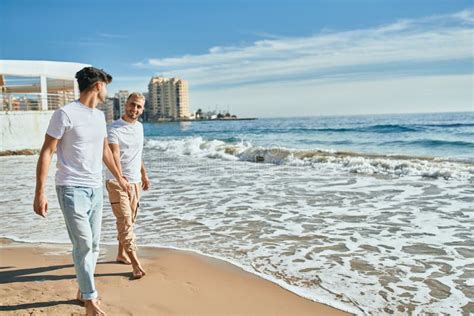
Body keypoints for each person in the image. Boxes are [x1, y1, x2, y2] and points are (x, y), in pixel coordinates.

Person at [33, 67, 130, 316]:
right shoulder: (64, 113)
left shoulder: (99, 117)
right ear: (98, 86)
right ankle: (90, 300)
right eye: (105, 86)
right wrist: (40, 192)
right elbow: (47, 151)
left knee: (94, 244)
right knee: (84, 244)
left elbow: (104, 151)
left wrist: (120, 178)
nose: (106, 91)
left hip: (95, 188)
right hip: (70, 188)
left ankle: (82, 289)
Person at [105, 92, 150, 279]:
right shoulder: (114, 128)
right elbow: (114, 155)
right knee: (125, 221)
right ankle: (135, 264)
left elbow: (137, 154)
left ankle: (121, 254)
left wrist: (144, 175)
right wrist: (120, 177)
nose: (135, 109)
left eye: (139, 106)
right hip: (117, 182)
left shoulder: (139, 127)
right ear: (126, 104)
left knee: (129, 221)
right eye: (132, 105)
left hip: (135, 182)